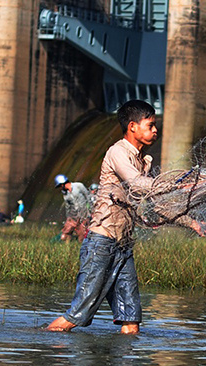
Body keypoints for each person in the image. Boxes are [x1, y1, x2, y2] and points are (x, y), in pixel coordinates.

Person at [47, 100, 160, 335]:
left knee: (131, 321)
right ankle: (45, 346)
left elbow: (154, 198)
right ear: (132, 127)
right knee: (76, 316)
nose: (155, 130)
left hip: (123, 247)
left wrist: (193, 223)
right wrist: (174, 185)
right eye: (150, 125)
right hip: (101, 243)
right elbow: (139, 185)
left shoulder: (143, 162)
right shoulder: (118, 152)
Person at [55, 174, 92, 241]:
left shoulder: (79, 186)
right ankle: (68, 243)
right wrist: (68, 217)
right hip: (73, 217)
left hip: (83, 216)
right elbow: (68, 206)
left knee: (82, 237)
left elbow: (88, 197)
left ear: (62, 184)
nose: (60, 188)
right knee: (64, 236)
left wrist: (92, 210)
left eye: (59, 186)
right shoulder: (65, 194)